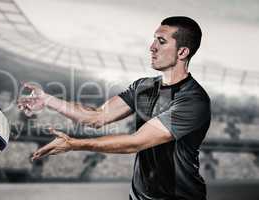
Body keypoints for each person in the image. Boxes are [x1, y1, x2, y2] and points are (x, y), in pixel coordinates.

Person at [17, 16, 211, 200]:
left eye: (161, 41)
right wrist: (47, 100)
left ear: (182, 52)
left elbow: (134, 142)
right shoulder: (143, 86)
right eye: (153, 40)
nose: (152, 47)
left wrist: (74, 144)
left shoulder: (193, 100)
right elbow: (97, 117)